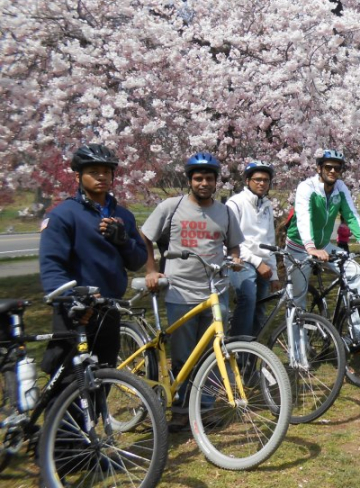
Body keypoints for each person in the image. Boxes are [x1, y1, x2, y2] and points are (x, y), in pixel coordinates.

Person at [140, 152, 243, 430]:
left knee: (214, 352)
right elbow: (146, 236)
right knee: (184, 355)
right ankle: (181, 408)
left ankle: (206, 408)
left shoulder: (224, 211)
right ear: (189, 180)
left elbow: (234, 245)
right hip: (180, 292)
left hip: (215, 290)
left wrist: (234, 258)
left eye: (209, 178)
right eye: (198, 178)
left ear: (216, 181)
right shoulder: (171, 207)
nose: (204, 183)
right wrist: (151, 270)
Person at [39, 144, 148, 376]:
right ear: (78, 176)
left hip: (109, 307)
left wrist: (124, 241)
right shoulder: (64, 214)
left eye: (107, 171)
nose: (102, 176)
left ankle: (97, 413)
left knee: (104, 375)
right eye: (94, 171)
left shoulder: (123, 216)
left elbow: (138, 261)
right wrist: (71, 302)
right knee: (69, 381)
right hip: (77, 310)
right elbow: (51, 265)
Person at [284, 149, 360, 308]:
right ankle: (297, 332)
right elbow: (303, 218)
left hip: (324, 246)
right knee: (297, 301)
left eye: (337, 168)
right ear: (319, 168)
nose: (333, 171)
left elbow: (351, 214)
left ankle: (357, 331)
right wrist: (311, 247)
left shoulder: (340, 187)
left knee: (358, 273)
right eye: (328, 167)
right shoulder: (306, 187)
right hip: (299, 248)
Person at [226, 160, 278, 339]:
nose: (261, 183)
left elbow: (269, 239)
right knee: (248, 299)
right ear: (247, 181)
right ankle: (237, 351)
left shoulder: (267, 206)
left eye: (265, 180)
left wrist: (275, 274)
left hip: (262, 261)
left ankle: (251, 354)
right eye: (257, 179)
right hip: (242, 259)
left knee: (260, 306)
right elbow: (231, 239)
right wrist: (257, 262)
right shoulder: (235, 203)